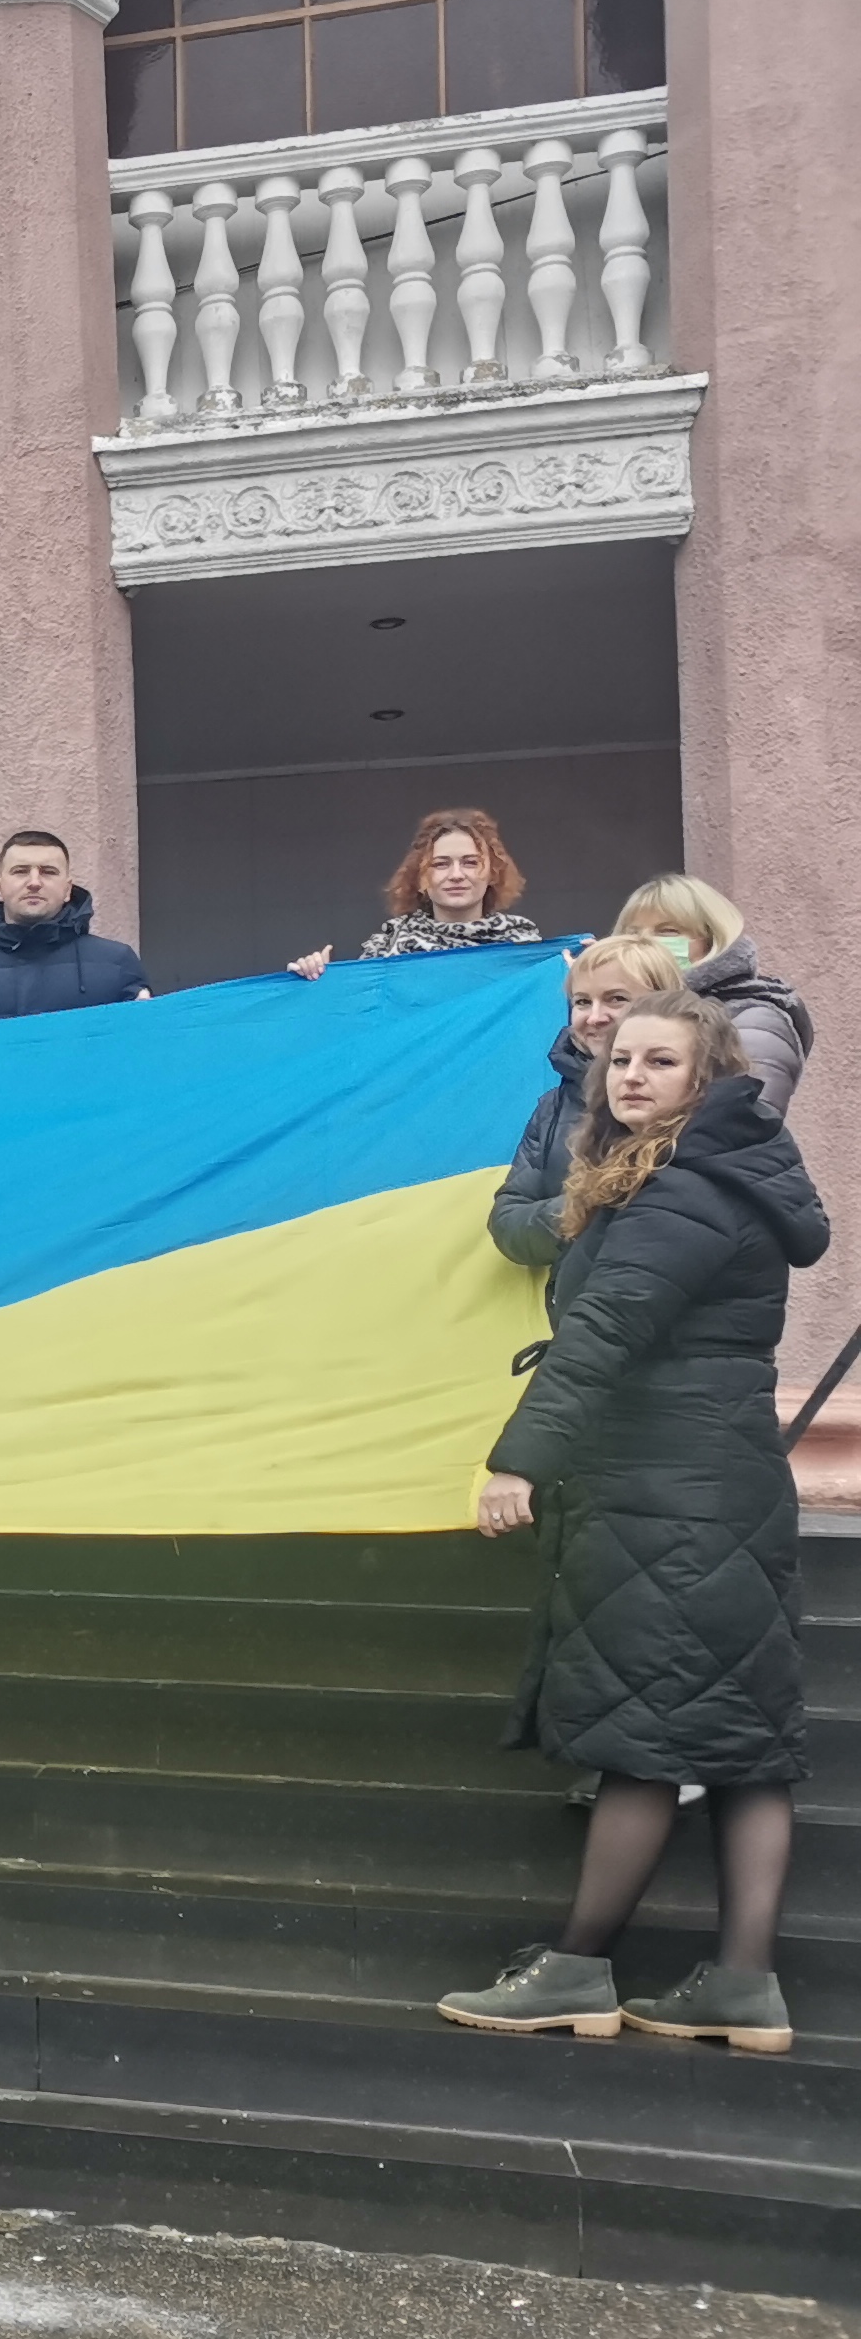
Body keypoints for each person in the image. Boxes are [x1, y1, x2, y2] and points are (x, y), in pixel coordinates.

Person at [441, 997, 827, 2054]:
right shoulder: (716, 1177)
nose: (630, 1076)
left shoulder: (683, 1190)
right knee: (742, 1740)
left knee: (645, 1733)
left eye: (660, 1061)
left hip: (668, 1488)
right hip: (720, 1482)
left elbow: (605, 1332)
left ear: (709, 1080)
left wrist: (519, 1458)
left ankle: (575, 1969)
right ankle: (741, 1987)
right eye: (620, 1060)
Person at [487, 935, 685, 1268]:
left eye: (616, 999)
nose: (594, 1017)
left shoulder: (701, 1096)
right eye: (582, 1001)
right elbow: (508, 1223)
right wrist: (589, 1205)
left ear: (664, 1003)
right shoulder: (553, 1108)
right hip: (577, 1298)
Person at [614, 873, 814, 1120]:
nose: (645, 942)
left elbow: (744, 1122)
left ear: (712, 940)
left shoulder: (752, 1019)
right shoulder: (629, 1012)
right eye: (633, 933)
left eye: (667, 931)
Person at [0, 831, 149, 1026]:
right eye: (20, 871)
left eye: (48, 872)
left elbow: (140, 1046)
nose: (34, 882)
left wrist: (149, 1022)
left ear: (67, 890)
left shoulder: (116, 962)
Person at [287, 806, 542, 978]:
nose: (456, 874)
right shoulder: (386, 947)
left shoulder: (523, 944)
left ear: (493, 873)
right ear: (420, 877)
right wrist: (317, 981)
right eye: (440, 864)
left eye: (470, 862)